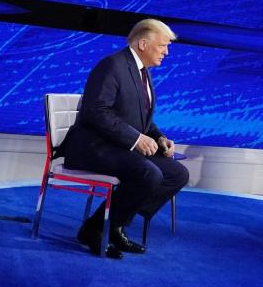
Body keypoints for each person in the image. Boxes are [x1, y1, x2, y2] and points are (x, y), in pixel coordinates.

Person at [61, 18, 190, 259]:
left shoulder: (142, 72)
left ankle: (111, 223)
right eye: (163, 46)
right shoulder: (112, 66)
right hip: (94, 147)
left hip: (119, 146)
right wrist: (135, 138)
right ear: (143, 43)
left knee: (177, 174)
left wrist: (158, 137)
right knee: (148, 173)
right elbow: (96, 110)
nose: (166, 52)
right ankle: (100, 228)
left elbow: (140, 118)